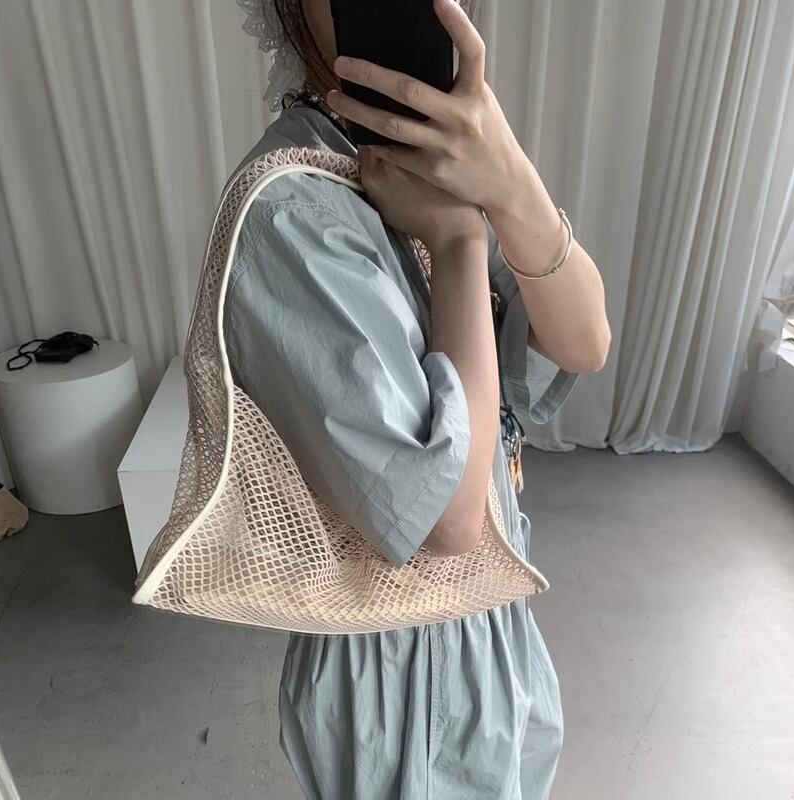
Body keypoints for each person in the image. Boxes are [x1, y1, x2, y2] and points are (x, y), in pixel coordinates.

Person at [226, 0, 610, 797]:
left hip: (495, 620)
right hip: (399, 673)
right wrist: (462, 241)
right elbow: (448, 517)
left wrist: (512, 183)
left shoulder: (447, 155)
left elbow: (585, 342)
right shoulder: (289, 212)